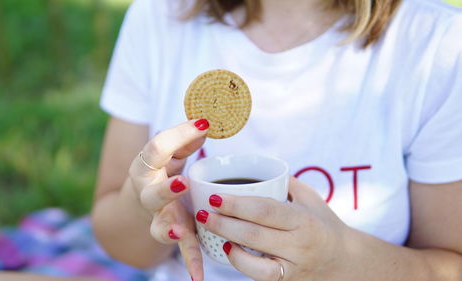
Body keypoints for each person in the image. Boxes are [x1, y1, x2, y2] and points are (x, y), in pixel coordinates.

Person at [91, 0, 462, 280]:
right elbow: (123, 246)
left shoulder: (437, 45)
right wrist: (146, 205)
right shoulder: (160, 17)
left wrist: (342, 259)